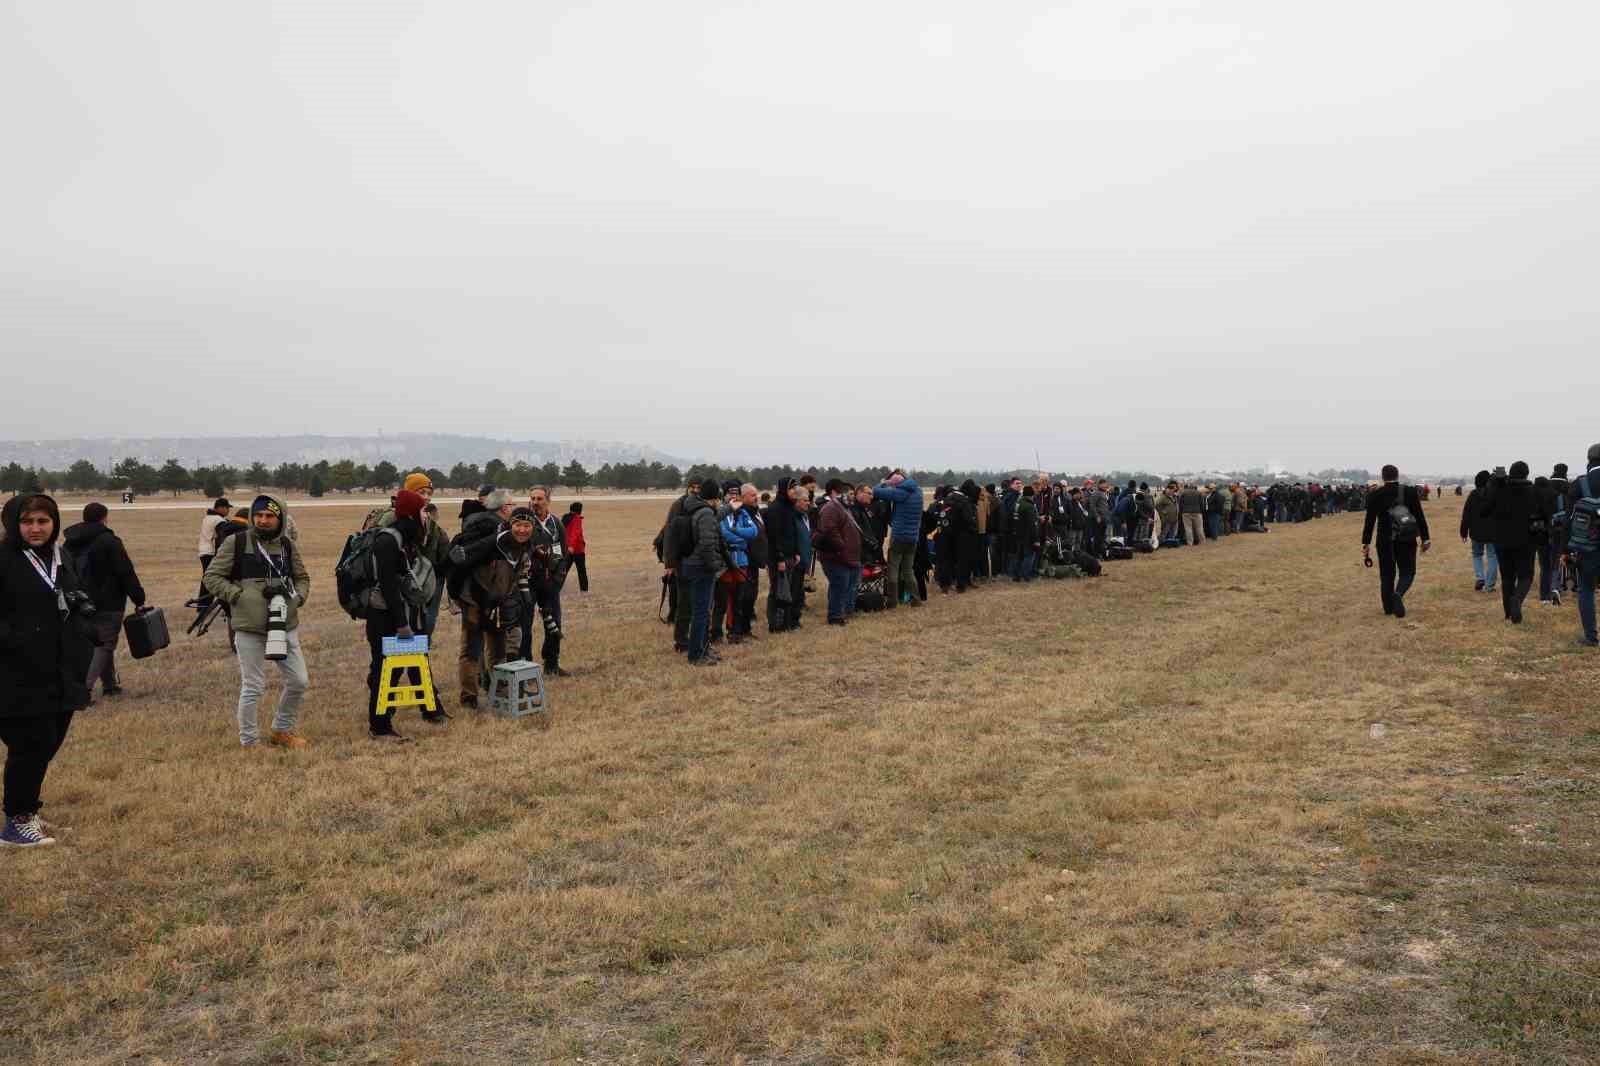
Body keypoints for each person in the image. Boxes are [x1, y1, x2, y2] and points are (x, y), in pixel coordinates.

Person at [0, 494, 94, 847]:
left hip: (62, 669)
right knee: (30, 744)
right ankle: (16, 823)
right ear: (13, 524)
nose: (36, 529)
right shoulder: (4, 560)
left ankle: (28, 810)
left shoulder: (60, 555)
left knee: (48, 743)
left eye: (43, 521)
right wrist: (22, 637)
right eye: (27, 522)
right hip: (16, 674)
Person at [203, 495, 311, 748]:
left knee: (299, 681)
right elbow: (212, 577)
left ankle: (281, 731)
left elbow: (302, 577)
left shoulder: (287, 546)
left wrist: (298, 599)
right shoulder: (236, 542)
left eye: (269, 516)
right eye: (259, 515)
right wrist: (238, 596)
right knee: (253, 686)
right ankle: (249, 741)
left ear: (280, 518)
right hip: (248, 627)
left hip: (284, 623)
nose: (262, 520)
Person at [364, 489, 439, 741]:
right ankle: (380, 727)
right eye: (421, 511)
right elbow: (388, 585)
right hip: (384, 618)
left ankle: (422, 711)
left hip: (400, 615)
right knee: (385, 671)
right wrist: (401, 624)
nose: (425, 516)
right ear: (409, 513)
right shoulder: (388, 541)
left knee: (396, 670)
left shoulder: (406, 538)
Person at [63, 502, 147, 700]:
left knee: (97, 642)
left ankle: (109, 684)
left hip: (79, 601)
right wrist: (139, 598)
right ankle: (84, 691)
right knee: (104, 644)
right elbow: (125, 571)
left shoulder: (70, 542)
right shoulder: (109, 541)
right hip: (109, 601)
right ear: (104, 517)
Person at [452, 489, 512, 706]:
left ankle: (473, 697)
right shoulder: (494, 530)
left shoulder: (476, 525)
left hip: (479, 599)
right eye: (511, 505)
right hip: (481, 599)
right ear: (504, 508)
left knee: (475, 650)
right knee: (486, 650)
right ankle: (491, 694)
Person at [1361, 466, 1431, 619]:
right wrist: (1425, 538)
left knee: (1386, 574)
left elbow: (1369, 521)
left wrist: (1365, 543)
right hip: (1406, 538)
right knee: (1408, 571)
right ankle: (1398, 594)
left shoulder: (1375, 494)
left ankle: (1388, 608)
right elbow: (1419, 516)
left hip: (1384, 539)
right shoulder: (1409, 492)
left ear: (1382, 477)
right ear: (1397, 475)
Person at [518, 488, 567, 678]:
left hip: (550, 582)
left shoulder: (556, 524)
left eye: (539, 498)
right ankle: (526, 667)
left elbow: (562, 553)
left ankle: (552, 663)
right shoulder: (524, 522)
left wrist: (557, 580)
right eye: (532, 498)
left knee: (554, 623)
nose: (535, 502)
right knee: (525, 625)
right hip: (528, 582)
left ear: (548, 500)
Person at [1481, 463, 1538, 624]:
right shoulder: (1532, 492)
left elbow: (1484, 511)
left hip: (1502, 540)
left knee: (1507, 578)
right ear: (1527, 474)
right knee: (1526, 576)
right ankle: (1517, 601)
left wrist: (1492, 485)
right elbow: (1540, 517)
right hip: (1526, 541)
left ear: (1510, 474)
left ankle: (1508, 614)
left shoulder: (1499, 490)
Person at [680, 481, 726, 665]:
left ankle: (704, 649)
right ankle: (696, 654)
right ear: (714, 498)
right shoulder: (706, 513)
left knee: (704, 612)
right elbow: (707, 544)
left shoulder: (697, 509)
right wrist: (715, 565)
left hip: (693, 565)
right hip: (701, 567)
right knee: (701, 612)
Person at [657, 479, 702, 652]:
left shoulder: (703, 504)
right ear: (688, 488)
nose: (696, 490)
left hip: (698, 559)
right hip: (682, 560)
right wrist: (669, 563)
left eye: (699, 488)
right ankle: (681, 639)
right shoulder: (678, 505)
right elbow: (669, 533)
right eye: (693, 487)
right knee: (684, 602)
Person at [815, 479, 863, 624]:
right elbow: (829, 530)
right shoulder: (831, 508)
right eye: (848, 494)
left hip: (846, 556)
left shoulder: (843, 507)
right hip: (836, 556)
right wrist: (842, 547)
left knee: (847, 585)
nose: (852, 497)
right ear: (836, 493)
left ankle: (845, 612)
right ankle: (835, 617)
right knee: (839, 586)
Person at [873, 471, 922, 609]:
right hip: (913, 538)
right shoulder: (918, 491)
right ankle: (916, 600)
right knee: (908, 570)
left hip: (899, 537)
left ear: (896, 484)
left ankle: (892, 602)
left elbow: (875, 491)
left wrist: (884, 483)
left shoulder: (899, 493)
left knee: (893, 570)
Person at [1569, 444, 1600, 648]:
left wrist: (1565, 548)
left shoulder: (1581, 483)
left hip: (1588, 547)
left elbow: (1568, 519)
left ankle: (1590, 636)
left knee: (1586, 590)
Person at [729, 485, 766, 640]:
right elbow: (739, 534)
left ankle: (746, 628)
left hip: (755, 561)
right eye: (752, 495)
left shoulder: (755, 512)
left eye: (756, 494)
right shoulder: (740, 513)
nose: (756, 497)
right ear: (743, 497)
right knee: (742, 597)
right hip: (744, 562)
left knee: (751, 596)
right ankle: (738, 631)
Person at [765, 478, 801, 633]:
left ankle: (786, 623)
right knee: (777, 592)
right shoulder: (775, 508)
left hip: (790, 556)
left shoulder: (790, 507)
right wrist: (779, 558)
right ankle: (775, 625)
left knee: (788, 592)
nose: (795, 491)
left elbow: (793, 532)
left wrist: (796, 552)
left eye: (795, 488)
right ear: (784, 490)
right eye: (791, 488)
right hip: (778, 558)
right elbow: (774, 536)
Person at [188, 497, 231, 615]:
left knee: (207, 579)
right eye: (227, 508)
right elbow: (221, 539)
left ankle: (203, 606)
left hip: (203, 551)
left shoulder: (207, 518)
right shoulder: (218, 520)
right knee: (214, 580)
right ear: (221, 508)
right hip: (211, 553)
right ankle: (205, 606)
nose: (228, 511)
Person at [1460, 470, 1497, 593]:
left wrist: (1463, 532)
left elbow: (1466, 515)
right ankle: (1490, 586)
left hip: (1476, 532)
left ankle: (1480, 578)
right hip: (1493, 532)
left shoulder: (1473, 494)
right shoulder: (1494, 494)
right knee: (1492, 556)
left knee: (1477, 555)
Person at [1009, 486, 1040, 582]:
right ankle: (1026, 576)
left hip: (1018, 533)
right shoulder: (1029, 506)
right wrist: (1036, 539)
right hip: (1028, 535)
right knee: (1029, 556)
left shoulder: (1017, 504)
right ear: (1031, 495)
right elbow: (1033, 524)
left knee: (1018, 556)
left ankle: (1016, 576)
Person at [561, 502, 588, 593]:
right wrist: (571, 546)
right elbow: (575, 534)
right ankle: (584, 590)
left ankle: (556, 588)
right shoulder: (576, 519)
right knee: (582, 572)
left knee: (563, 571)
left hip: (566, 549)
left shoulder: (564, 518)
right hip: (577, 550)